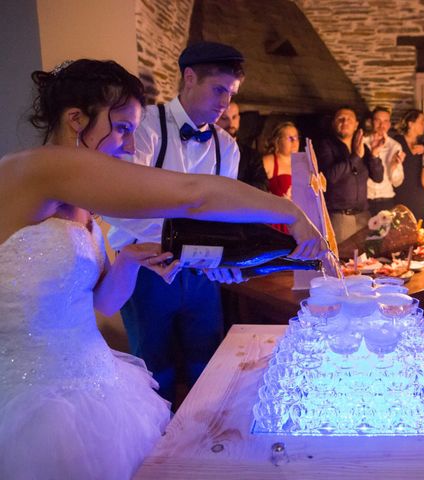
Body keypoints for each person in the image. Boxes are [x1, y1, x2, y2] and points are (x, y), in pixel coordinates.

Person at [0, 59, 325, 480]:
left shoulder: (81, 201)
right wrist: (287, 209)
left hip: (92, 381)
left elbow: (101, 302)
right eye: (121, 128)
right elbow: (191, 195)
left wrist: (131, 260)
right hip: (32, 402)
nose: (131, 146)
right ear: (75, 119)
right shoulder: (38, 168)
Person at [104, 42, 248, 404]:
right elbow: (120, 203)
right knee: (154, 371)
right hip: (144, 272)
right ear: (189, 77)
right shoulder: (146, 126)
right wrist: (181, 244)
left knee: (209, 364)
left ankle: (207, 444)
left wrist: (224, 256)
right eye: (219, 90)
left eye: (230, 94)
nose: (225, 103)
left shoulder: (227, 146)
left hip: (200, 275)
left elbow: (223, 213)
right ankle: (157, 448)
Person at [316, 106, 384, 243]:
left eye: (349, 119)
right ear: (333, 123)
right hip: (340, 217)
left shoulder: (361, 147)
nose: (345, 122)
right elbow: (330, 177)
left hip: (363, 215)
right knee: (342, 260)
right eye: (340, 119)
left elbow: (378, 177)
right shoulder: (325, 146)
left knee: (365, 260)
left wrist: (375, 155)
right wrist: (355, 157)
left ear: (356, 125)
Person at [216, 101, 268, 191]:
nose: (231, 123)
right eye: (224, 118)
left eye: (234, 117)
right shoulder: (207, 150)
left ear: (239, 119)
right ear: (215, 120)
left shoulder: (252, 155)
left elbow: (262, 185)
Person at [364, 106, 405, 216]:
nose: (382, 125)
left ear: (389, 124)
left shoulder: (395, 146)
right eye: (378, 120)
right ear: (372, 122)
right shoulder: (363, 142)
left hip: (387, 199)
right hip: (366, 200)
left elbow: (397, 182)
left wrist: (394, 166)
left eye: (386, 121)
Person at [393, 109, 424, 224]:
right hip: (402, 195)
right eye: (422, 121)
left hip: (420, 196)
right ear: (411, 124)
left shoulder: (423, 144)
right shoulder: (397, 143)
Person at [263, 121, 299, 201]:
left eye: (296, 138)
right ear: (278, 141)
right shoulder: (268, 162)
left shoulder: (302, 164)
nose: (294, 142)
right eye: (290, 138)